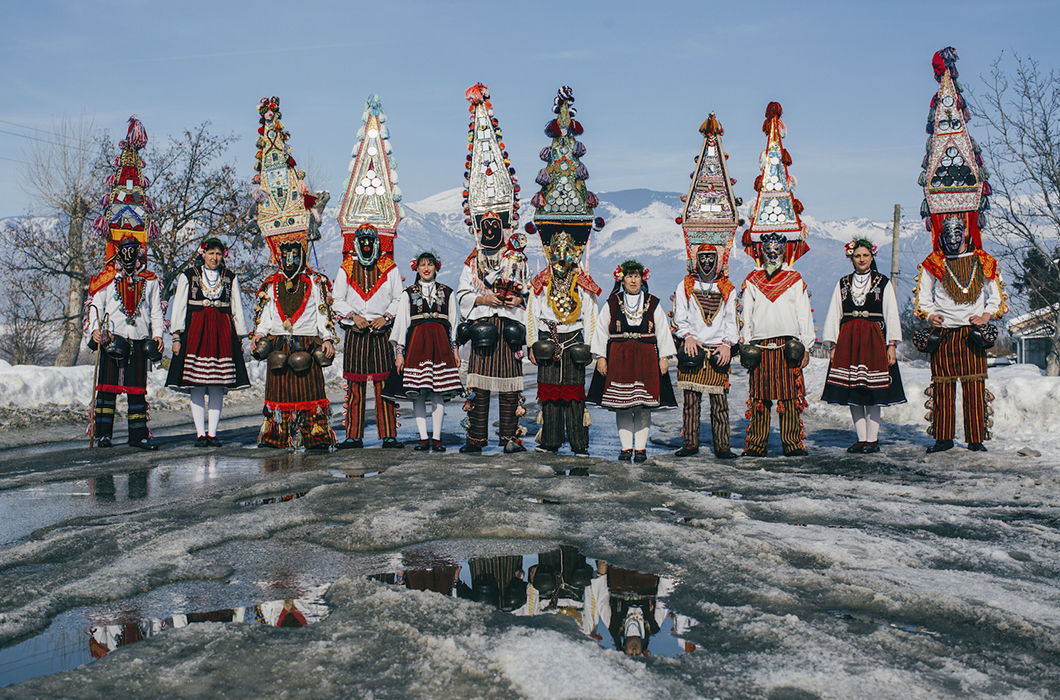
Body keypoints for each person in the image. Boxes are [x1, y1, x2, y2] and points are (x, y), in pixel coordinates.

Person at [912, 48, 1008, 454]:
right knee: (942, 385)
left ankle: (976, 438)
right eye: (946, 230)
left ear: (967, 229)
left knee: (974, 385)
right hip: (944, 332)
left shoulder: (982, 261)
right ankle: (942, 437)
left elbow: (995, 296)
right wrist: (929, 314)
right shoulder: (934, 263)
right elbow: (923, 297)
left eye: (958, 229)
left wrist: (987, 314)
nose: (952, 235)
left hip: (971, 331)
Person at [248, 96, 337, 450]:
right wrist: (258, 336)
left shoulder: (315, 281)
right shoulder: (270, 284)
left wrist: (327, 339)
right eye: (284, 254)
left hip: (308, 342)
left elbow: (323, 312)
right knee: (280, 389)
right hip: (279, 345)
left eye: (293, 254)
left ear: (300, 252)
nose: (288, 259)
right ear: (279, 254)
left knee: (309, 388)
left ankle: (314, 434)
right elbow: (264, 315)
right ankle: (278, 434)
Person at [525, 86, 604, 458]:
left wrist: (592, 347)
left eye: (566, 250)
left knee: (575, 397)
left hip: (573, 342)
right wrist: (533, 343)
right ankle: (550, 441)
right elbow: (531, 312)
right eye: (554, 250)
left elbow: (591, 314)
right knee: (549, 398)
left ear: (573, 250)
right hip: (549, 339)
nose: (560, 255)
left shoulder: (582, 281)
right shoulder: (541, 280)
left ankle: (579, 442)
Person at [738, 101, 815, 457]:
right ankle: (755, 444)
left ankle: (791, 443)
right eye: (767, 245)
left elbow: (803, 314)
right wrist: (745, 342)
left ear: (785, 247)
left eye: (777, 245)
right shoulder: (752, 280)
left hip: (787, 346)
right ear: (760, 247)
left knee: (788, 398)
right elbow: (746, 315)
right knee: (759, 399)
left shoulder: (795, 278)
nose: (772, 250)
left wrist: (807, 345)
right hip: (761, 346)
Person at [456, 83, 528, 454]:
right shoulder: (472, 260)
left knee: (511, 387)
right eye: (484, 225)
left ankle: (510, 438)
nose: (489, 230)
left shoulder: (516, 258)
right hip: (485, 327)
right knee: (480, 386)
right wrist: (485, 298)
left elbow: (526, 293)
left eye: (494, 225)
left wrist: (514, 300)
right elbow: (463, 294)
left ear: (503, 225)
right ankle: (476, 438)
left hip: (509, 327)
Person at [85, 116, 164, 450]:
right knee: (106, 388)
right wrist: (94, 332)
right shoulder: (107, 279)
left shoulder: (150, 280)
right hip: (112, 336)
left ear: (140, 252)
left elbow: (156, 311)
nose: (130, 257)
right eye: (125, 251)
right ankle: (103, 433)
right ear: (118, 251)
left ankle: (138, 434)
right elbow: (95, 306)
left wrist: (158, 336)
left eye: (135, 251)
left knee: (136, 390)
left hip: (139, 337)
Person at [821, 239, 906, 453]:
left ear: (872, 257)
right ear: (851, 258)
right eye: (857, 256)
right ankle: (861, 438)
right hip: (848, 341)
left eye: (865, 255)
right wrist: (832, 345)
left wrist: (891, 345)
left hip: (874, 340)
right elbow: (834, 313)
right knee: (853, 392)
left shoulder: (883, 282)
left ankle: (872, 439)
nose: (861, 259)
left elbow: (891, 313)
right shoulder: (843, 283)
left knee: (873, 392)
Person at [588, 260, 677, 462]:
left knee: (643, 406)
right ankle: (626, 448)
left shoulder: (653, 302)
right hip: (619, 357)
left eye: (637, 276)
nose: (633, 280)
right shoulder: (612, 303)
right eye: (629, 276)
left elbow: (662, 329)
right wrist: (601, 357)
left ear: (642, 279)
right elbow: (601, 330)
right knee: (623, 405)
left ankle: (641, 449)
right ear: (622, 279)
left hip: (647, 358)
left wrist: (664, 357)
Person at [166, 237, 250, 446]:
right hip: (196, 331)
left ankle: (212, 433)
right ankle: (200, 433)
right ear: (203, 254)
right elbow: (179, 307)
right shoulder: (189, 275)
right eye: (211, 253)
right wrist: (176, 336)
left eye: (218, 254)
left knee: (216, 385)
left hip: (222, 332)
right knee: (196, 384)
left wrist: (240, 337)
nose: (214, 258)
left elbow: (237, 308)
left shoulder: (229, 277)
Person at [332, 224, 403, 449]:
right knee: (355, 385)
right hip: (356, 331)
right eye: (361, 241)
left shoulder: (389, 267)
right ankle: (353, 436)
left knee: (384, 384)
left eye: (370, 241)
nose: (366, 245)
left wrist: (386, 317)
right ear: (355, 243)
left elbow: (398, 298)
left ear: (376, 243)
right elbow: (337, 299)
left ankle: (389, 435)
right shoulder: (346, 268)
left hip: (381, 331)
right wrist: (353, 316)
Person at [390, 251, 462, 452]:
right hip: (417, 345)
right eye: (422, 265)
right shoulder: (408, 293)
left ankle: (437, 438)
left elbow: (453, 323)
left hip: (441, 346)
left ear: (436, 267)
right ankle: (423, 438)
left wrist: (455, 350)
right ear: (417, 268)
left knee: (438, 392)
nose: (426, 268)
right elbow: (401, 324)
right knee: (419, 393)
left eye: (430, 264)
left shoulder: (447, 292)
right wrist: (399, 352)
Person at [672, 244, 738, 459]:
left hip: (718, 350)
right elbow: (679, 316)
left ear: (718, 261)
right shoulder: (686, 285)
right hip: (693, 348)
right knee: (691, 401)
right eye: (703, 258)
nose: (707, 262)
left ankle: (723, 446)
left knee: (720, 403)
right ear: (696, 260)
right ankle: (690, 443)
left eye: (711, 258)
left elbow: (732, 319)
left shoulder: (727, 287)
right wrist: (688, 336)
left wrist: (727, 344)